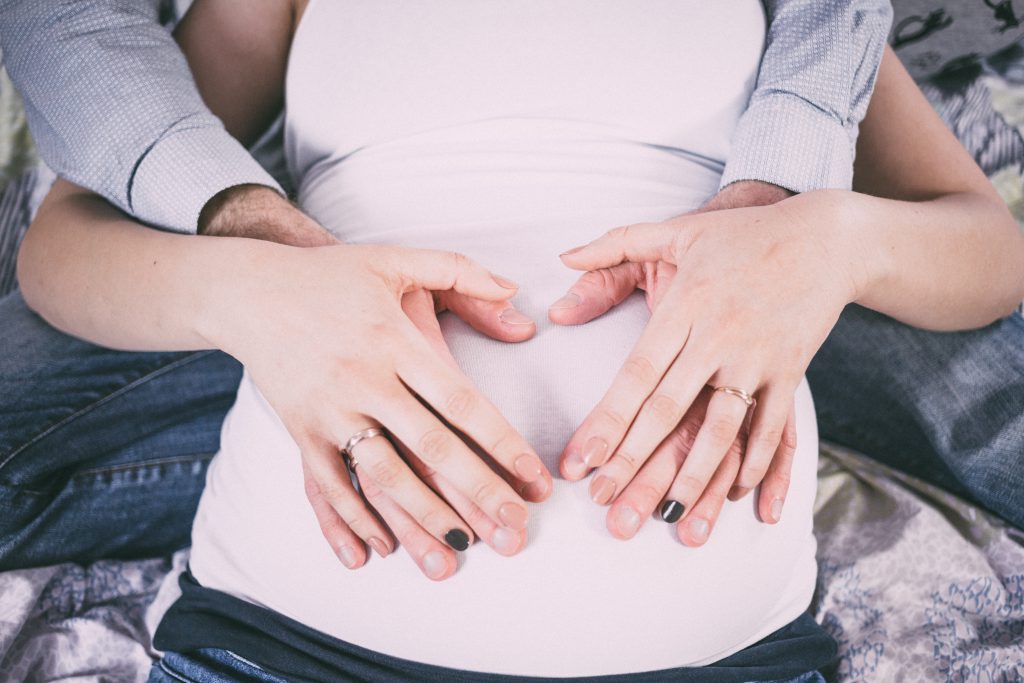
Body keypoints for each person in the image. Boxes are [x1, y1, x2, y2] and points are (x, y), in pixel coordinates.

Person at [15, 1, 1024, 681]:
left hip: (725, 658)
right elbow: (65, 243)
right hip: (283, 644)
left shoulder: (801, 17)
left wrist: (834, 242)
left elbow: (987, 253)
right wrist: (248, 289)